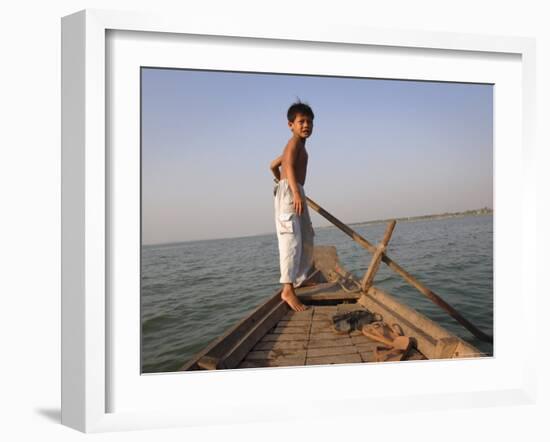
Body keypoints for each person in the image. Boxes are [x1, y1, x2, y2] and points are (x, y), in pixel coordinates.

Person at [270, 101, 316, 312]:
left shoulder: (298, 146)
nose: (306, 125)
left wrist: (279, 180)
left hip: (293, 188)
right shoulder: (293, 143)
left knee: (306, 235)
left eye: (309, 121)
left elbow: (273, 165)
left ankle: (299, 278)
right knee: (291, 238)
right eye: (301, 121)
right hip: (291, 191)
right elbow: (287, 165)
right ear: (291, 125)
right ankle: (287, 289)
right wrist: (291, 190)